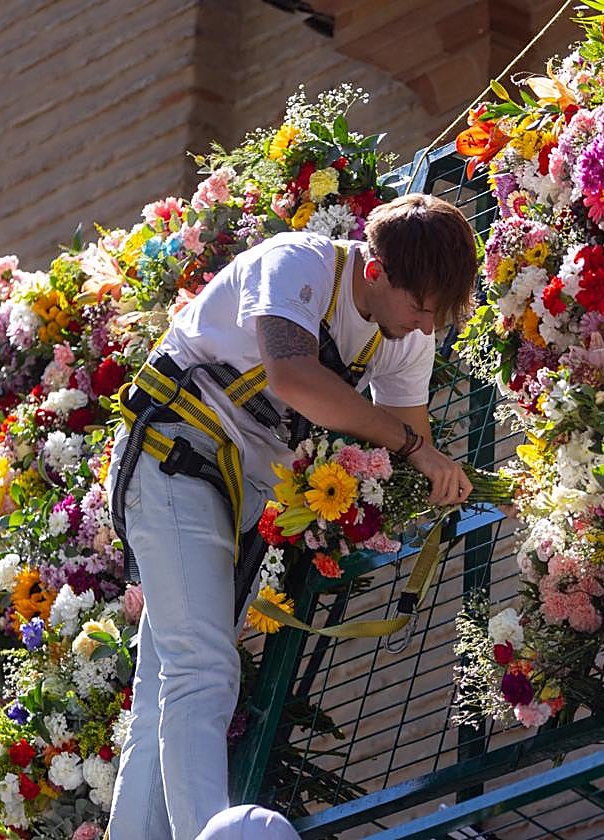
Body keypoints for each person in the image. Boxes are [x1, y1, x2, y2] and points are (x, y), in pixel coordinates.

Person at [104, 193, 478, 839]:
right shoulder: (297, 264)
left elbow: (406, 438)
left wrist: (436, 471)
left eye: (436, 316)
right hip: (177, 457)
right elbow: (293, 377)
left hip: (240, 495)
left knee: (167, 680)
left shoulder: (405, 339)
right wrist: (417, 449)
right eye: (418, 308)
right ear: (375, 271)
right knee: (203, 667)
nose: (422, 328)